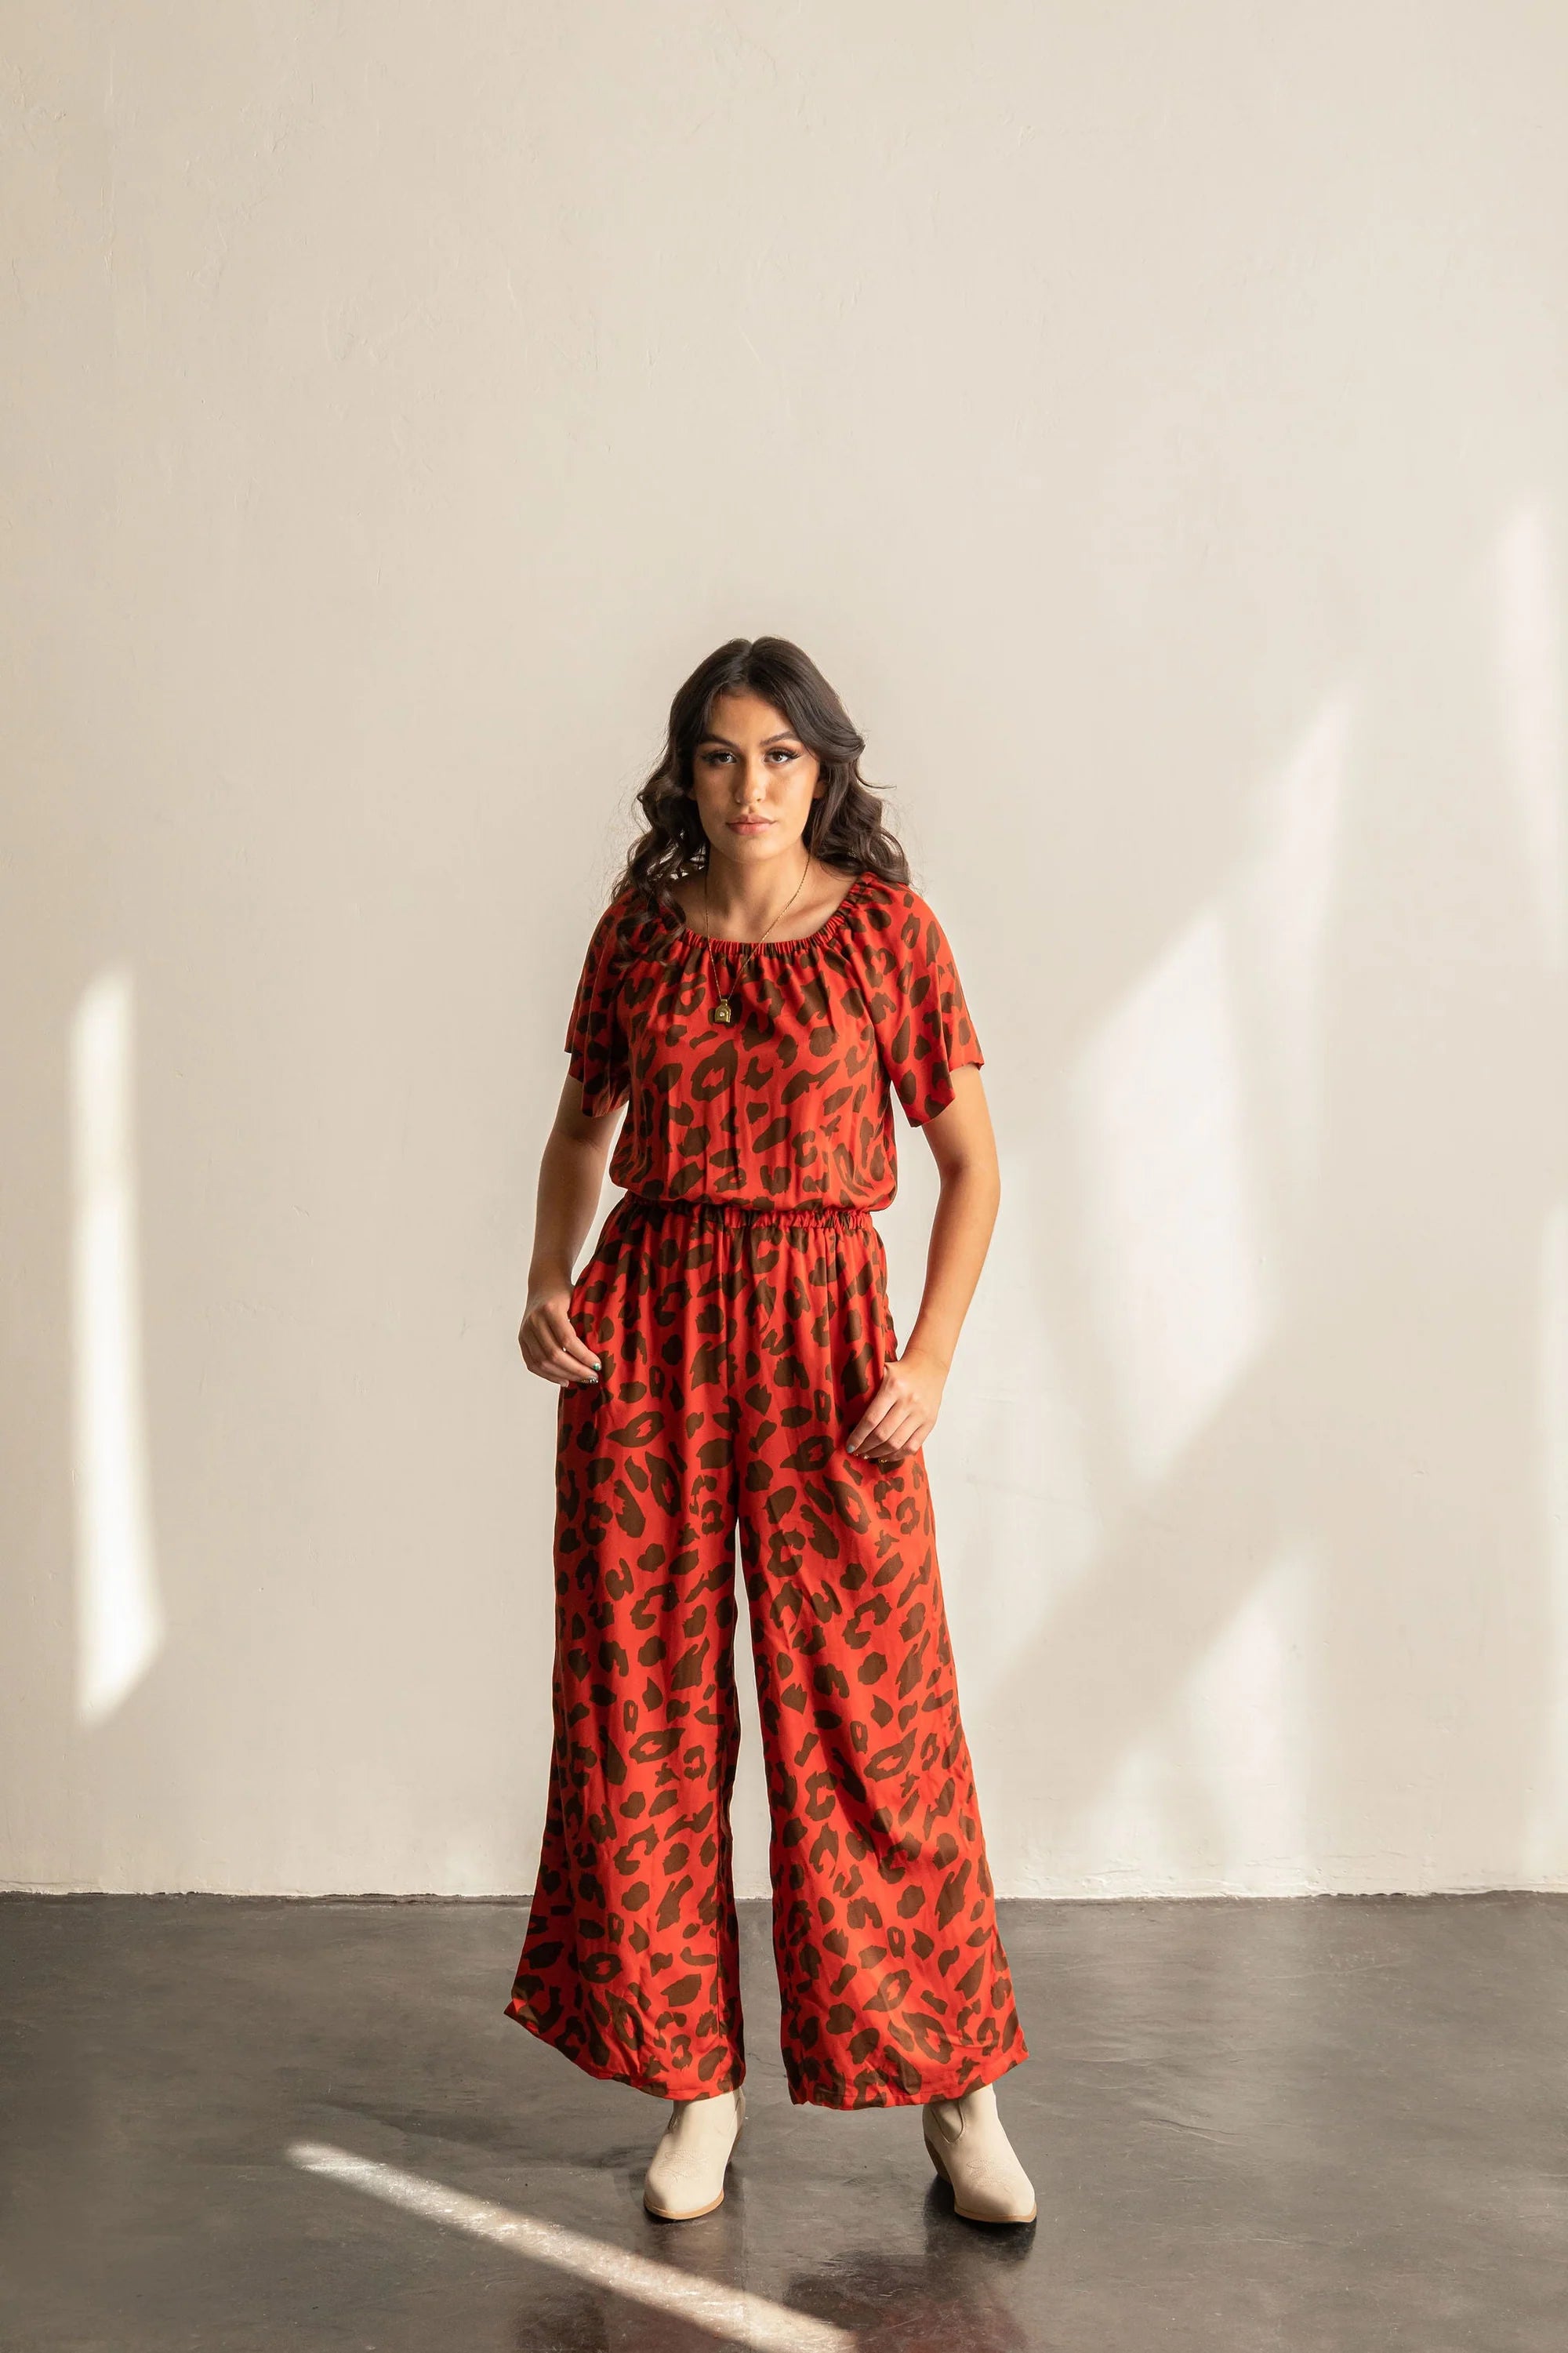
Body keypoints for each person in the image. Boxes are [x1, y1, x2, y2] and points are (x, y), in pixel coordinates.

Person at [506, 636, 1034, 2228]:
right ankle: (696, 2087)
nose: (752, 785)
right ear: (687, 773)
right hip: (651, 1332)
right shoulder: (638, 933)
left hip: (825, 1341)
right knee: (644, 1708)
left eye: (781, 756)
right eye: (723, 755)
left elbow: (972, 1165)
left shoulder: (888, 933)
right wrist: (545, 1279)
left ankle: (957, 2089)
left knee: (876, 1716)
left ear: (824, 770)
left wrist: (929, 1356)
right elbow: (580, 1128)